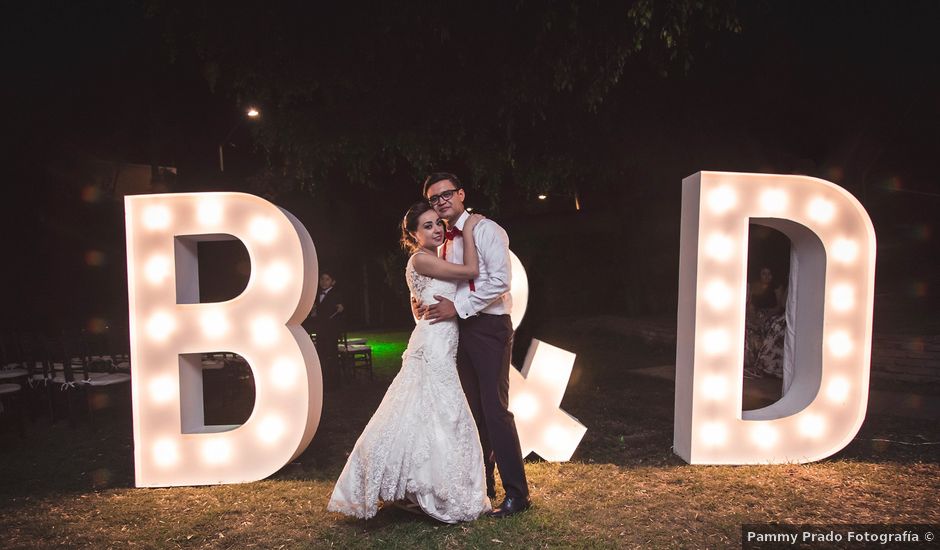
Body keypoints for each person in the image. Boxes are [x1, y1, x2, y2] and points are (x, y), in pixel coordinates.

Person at [327, 202, 491, 523]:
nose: (437, 229)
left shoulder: (429, 260)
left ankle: (420, 484)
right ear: (413, 235)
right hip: (433, 345)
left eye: (437, 224)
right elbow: (471, 272)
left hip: (437, 341)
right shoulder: (421, 259)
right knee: (442, 411)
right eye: (427, 226)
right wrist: (470, 230)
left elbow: (417, 305)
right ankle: (431, 487)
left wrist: (419, 307)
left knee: (424, 411)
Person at [420, 172, 530, 518]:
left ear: (461, 194)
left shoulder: (486, 229)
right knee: (471, 413)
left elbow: (499, 280)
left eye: (446, 194)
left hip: (489, 327)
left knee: (495, 410)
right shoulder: (444, 241)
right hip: (457, 331)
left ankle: (517, 494)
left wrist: (459, 307)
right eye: (434, 199)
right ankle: (482, 486)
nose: (441, 202)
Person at [744, 266, 788, 379]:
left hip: (771, 314)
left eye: (769, 274)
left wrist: (766, 315)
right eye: (764, 274)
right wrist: (754, 317)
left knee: (772, 327)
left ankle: (763, 365)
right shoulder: (754, 287)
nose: (766, 276)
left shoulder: (776, 287)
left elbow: (779, 306)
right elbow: (750, 306)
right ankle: (748, 363)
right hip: (757, 314)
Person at [308, 272, 345, 383]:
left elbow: (342, 308)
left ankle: (334, 382)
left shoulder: (336, 294)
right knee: (322, 355)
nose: (324, 282)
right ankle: (323, 380)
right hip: (321, 330)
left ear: (333, 282)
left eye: (327, 279)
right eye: (322, 279)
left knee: (331, 356)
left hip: (331, 331)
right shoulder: (317, 295)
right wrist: (313, 311)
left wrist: (342, 308)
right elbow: (316, 315)